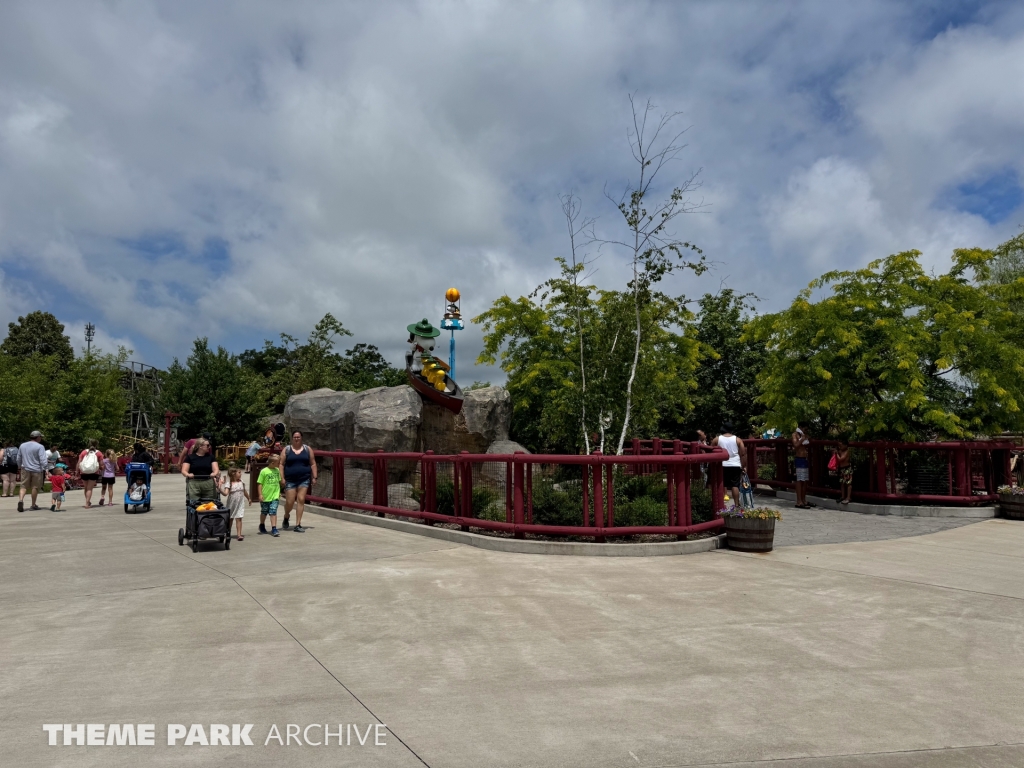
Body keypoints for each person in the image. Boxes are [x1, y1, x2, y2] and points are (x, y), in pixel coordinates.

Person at [279, 430, 316, 532]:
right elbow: (281, 464)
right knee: (290, 502)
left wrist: (314, 477)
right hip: (290, 479)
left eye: (298, 437)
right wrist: (282, 478)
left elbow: (312, 463)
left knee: (301, 499)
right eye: (295, 437)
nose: (296, 439)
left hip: (304, 478)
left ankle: (298, 524)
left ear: (301, 438)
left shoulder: (307, 449)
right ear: (292, 438)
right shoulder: (286, 449)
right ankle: (286, 516)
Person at [712, 423, 746, 508]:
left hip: (721, 464)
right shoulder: (738, 440)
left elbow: (710, 450)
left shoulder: (717, 439)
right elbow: (743, 454)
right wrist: (744, 466)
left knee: (720, 483)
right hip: (735, 464)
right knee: (735, 485)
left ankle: (719, 506)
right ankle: (737, 504)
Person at [17, 430, 50, 512]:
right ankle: (33, 504)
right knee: (35, 487)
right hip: (36, 469)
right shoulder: (40, 446)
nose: (41, 438)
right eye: (40, 437)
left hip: (25, 468)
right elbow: (43, 459)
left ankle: (21, 500)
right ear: (38, 437)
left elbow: (18, 457)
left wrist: (19, 466)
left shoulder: (22, 445)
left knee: (23, 486)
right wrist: (46, 468)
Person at [221, 467, 250, 541]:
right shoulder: (229, 483)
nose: (241, 474)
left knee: (239, 518)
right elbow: (225, 493)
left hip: (240, 503)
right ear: (234, 474)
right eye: (239, 472)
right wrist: (220, 489)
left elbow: (244, 491)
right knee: (230, 519)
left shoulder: (241, 482)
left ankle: (239, 534)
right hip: (231, 504)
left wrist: (249, 498)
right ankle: (227, 532)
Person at [257, 453, 282, 537]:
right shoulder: (264, 471)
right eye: (278, 463)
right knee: (264, 512)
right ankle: (262, 524)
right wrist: (260, 494)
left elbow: (278, 482)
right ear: (272, 463)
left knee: (273, 511)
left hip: (274, 495)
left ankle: (274, 528)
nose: (279, 464)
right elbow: (260, 484)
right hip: (265, 495)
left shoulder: (277, 470)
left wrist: (279, 492)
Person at [78, 439, 104, 508]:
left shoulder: (83, 452)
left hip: (83, 472)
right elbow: (102, 465)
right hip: (94, 472)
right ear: (97, 445)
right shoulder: (99, 453)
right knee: (90, 488)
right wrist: (101, 468)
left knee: (86, 488)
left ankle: (88, 501)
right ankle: (87, 503)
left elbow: (79, 462)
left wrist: (77, 471)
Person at [792, 425, 812, 509]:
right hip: (799, 459)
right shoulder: (795, 434)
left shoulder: (804, 435)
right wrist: (802, 439)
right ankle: (799, 501)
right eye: (804, 428)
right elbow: (796, 445)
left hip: (805, 459)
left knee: (805, 481)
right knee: (799, 480)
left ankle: (804, 500)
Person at [835, 439, 852, 505]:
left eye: (841, 445)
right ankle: (842, 496)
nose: (840, 447)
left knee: (848, 483)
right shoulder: (840, 451)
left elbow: (841, 459)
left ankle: (848, 497)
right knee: (842, 483)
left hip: (847, 468)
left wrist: (836, 454)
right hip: (841, 469)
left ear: (845, 445)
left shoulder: (846, 451)